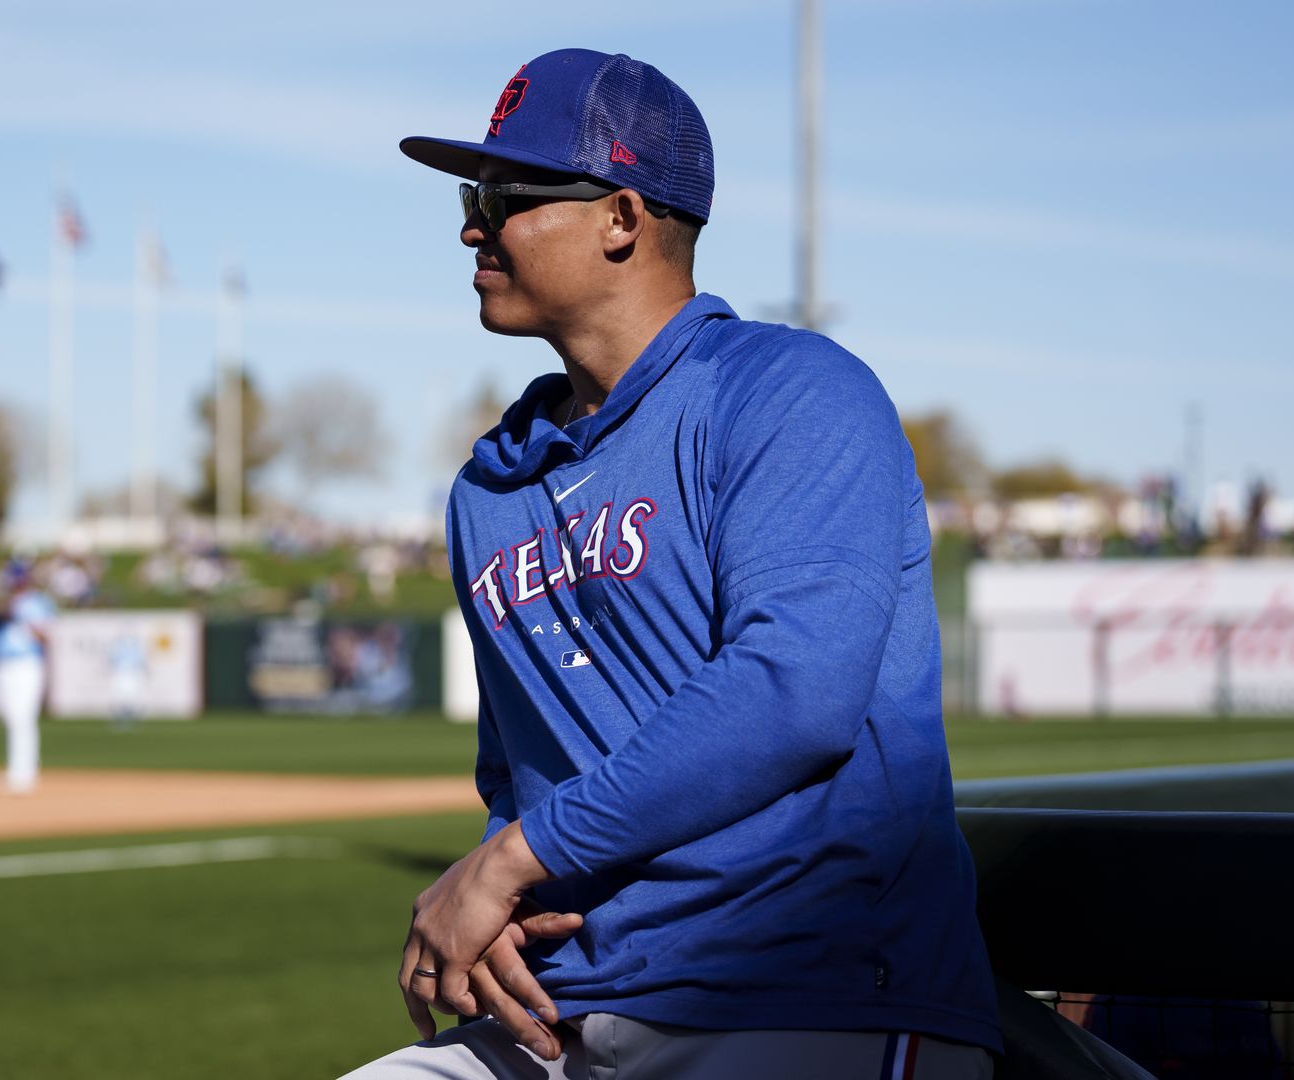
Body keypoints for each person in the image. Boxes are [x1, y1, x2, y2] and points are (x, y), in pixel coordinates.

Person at [346, 49, 1001, 1078]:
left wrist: (510, 862)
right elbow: (515, 767)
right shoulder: (489, 488)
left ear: (621, 216)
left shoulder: (792, 393)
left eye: (503, 194)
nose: (471, 225)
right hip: (561, 1011)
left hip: (802, 993)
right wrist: (508, 894)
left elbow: (796, 690)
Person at [0, 560, 56, 794]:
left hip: (27, 664)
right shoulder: (2, 604)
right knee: (5, 713)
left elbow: (46, 636)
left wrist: (22, 617)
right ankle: (20, 769)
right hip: (2, 663)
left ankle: (22, 774)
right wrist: (2, 612)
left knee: (22, 717)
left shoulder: (38, 603)